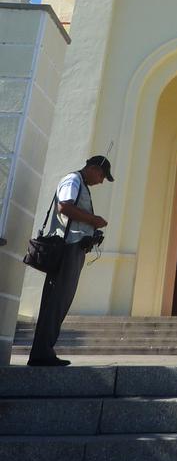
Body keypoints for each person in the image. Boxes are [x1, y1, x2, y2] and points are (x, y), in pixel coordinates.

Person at [28, 156, 113, 367]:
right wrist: (93, 220)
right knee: (56, 301)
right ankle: (41, 353)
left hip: (74, 248)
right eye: (102, 175)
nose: (101, 181)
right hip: (66, 248)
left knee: (60, 301)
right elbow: (64, 207)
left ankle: (44, 350)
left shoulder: (81, 184)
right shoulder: (73, 180)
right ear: (93, 168)